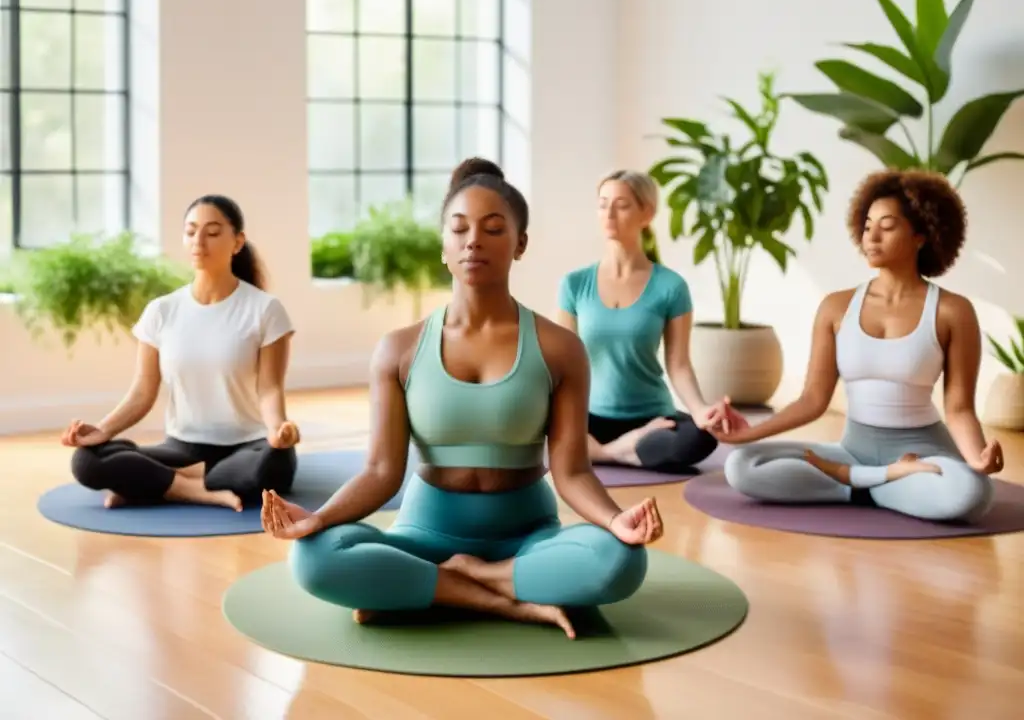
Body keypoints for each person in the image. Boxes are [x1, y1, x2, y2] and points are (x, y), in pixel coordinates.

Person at [260, 158, 662, 639]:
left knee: (621, 561)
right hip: (425, 535)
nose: (474, 240)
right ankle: (505, 600)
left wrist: (618, 521)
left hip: (529, 537)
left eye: (494, 229)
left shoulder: (560, 348)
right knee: (312, 558)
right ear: (444, 246)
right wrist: (319, 519)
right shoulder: (399, 349)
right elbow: (380, 473)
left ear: (520, 244)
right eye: (459, 228)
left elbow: (572, 471)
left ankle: (460, 580)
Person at [718, 170, 999, 523]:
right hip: (853, 450)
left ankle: (857, 484)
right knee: (742, 466)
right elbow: (812, 400)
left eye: (887, 225)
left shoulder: (952, 310)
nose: (872, 236)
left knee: (971, 492)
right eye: (867, 226)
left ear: (922, 235)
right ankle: (875, 483)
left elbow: (958, 408)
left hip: (923, 456)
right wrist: (746, 434)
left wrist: (977, 459)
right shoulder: (836, 307)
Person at [63, 195, 301, 512]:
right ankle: (197, 491)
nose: (198, 241)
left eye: (213, 232)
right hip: (183, 448)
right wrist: (102, 430)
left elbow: (269, 387)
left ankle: (153, 485)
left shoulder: (265, 310)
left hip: (249, 447)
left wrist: (277, 430)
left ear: (237, 241)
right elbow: (142, 392)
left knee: (274, 466)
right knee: (87, 461)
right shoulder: (162, 311)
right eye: (191, 232)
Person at [554, 170, 745, 472]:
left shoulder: (670, 287)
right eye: (603, 204)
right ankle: (617, 450)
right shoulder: (574, 284)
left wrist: (699, 411)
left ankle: (597, 452)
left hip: (651, 419)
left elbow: (679, 364)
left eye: (622, 204)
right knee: (535, 419)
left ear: (647, 213)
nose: (609, 213)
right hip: (588, 418)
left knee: (700, 438)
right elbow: (564, 363)